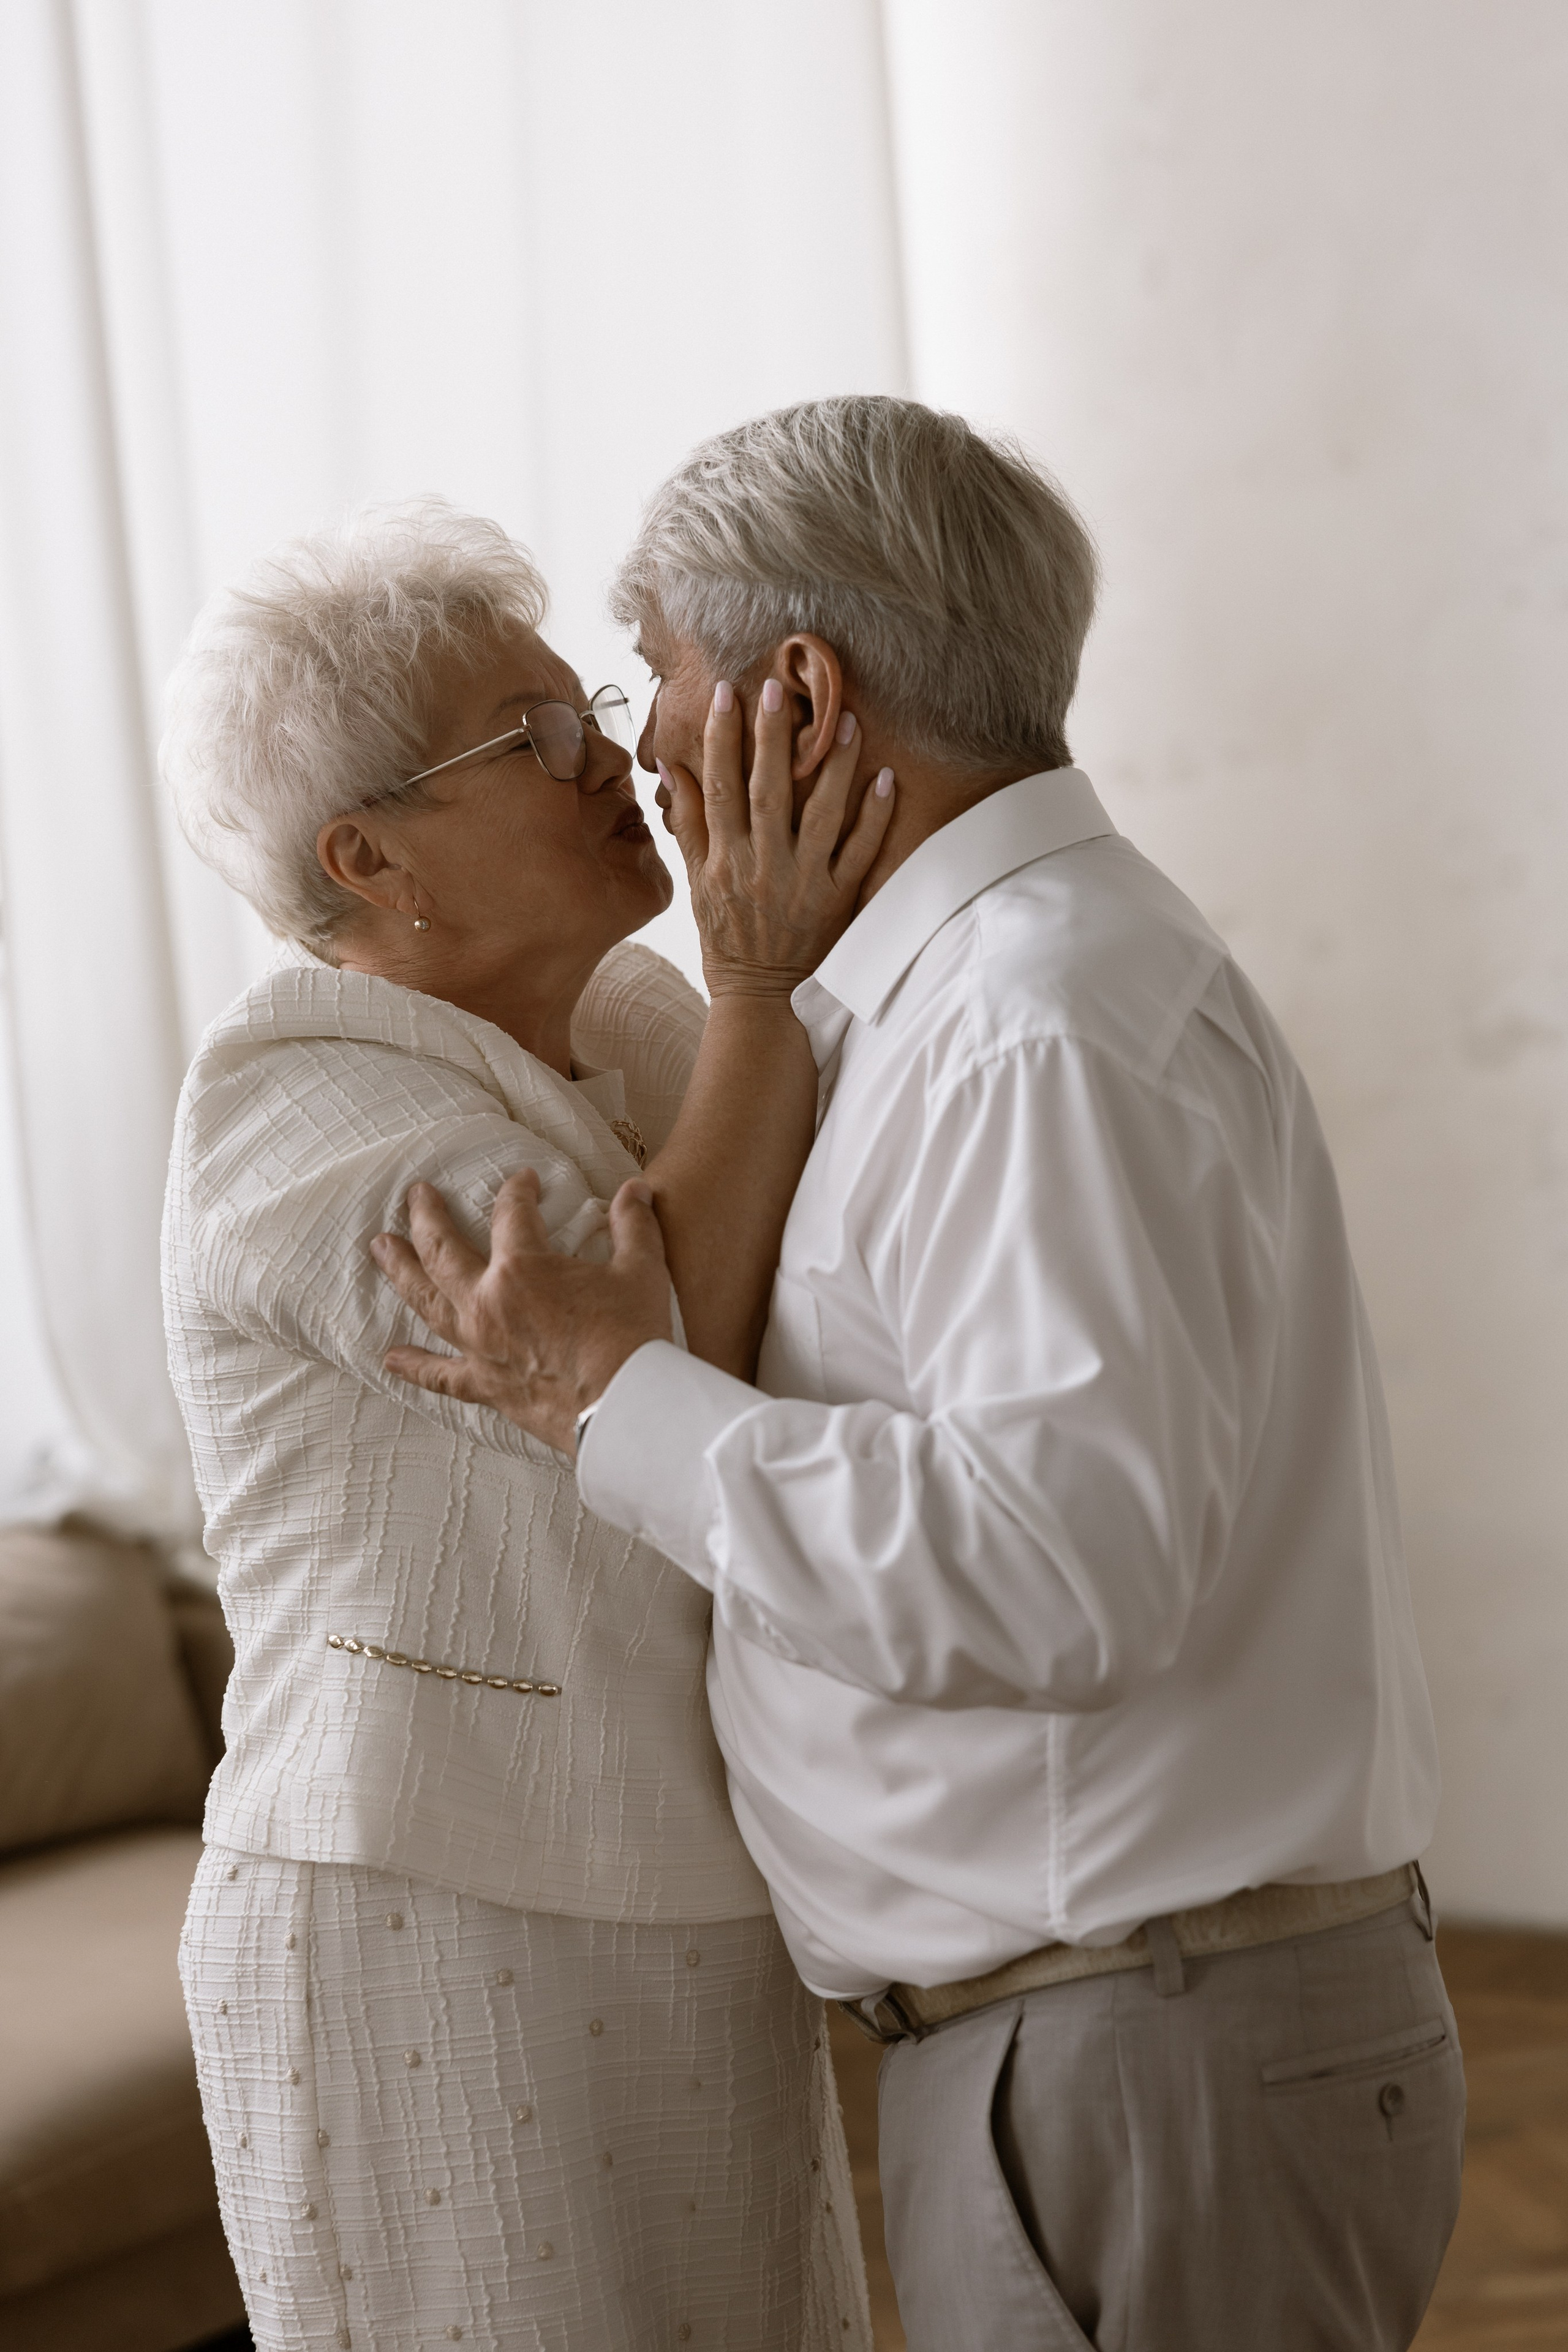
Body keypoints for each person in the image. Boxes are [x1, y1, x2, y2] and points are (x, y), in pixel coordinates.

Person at [373, 397, 1467, 2352]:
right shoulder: (979, 999)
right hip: (1115, 2044)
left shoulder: (1032, 1023)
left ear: (801, 695)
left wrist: (614, 1403)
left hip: (1142, 2051)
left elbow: (1063, 1572)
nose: (635, 744)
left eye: (657, 679)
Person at [159, 498, 891, 2351]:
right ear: (370, 857)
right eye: (538, 739)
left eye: (596, 708)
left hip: (687, 1879)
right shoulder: (292, 1105)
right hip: (422, 1904)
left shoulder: (633, 1024)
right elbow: (656, 1365)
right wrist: (751, 980)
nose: (620, 761)